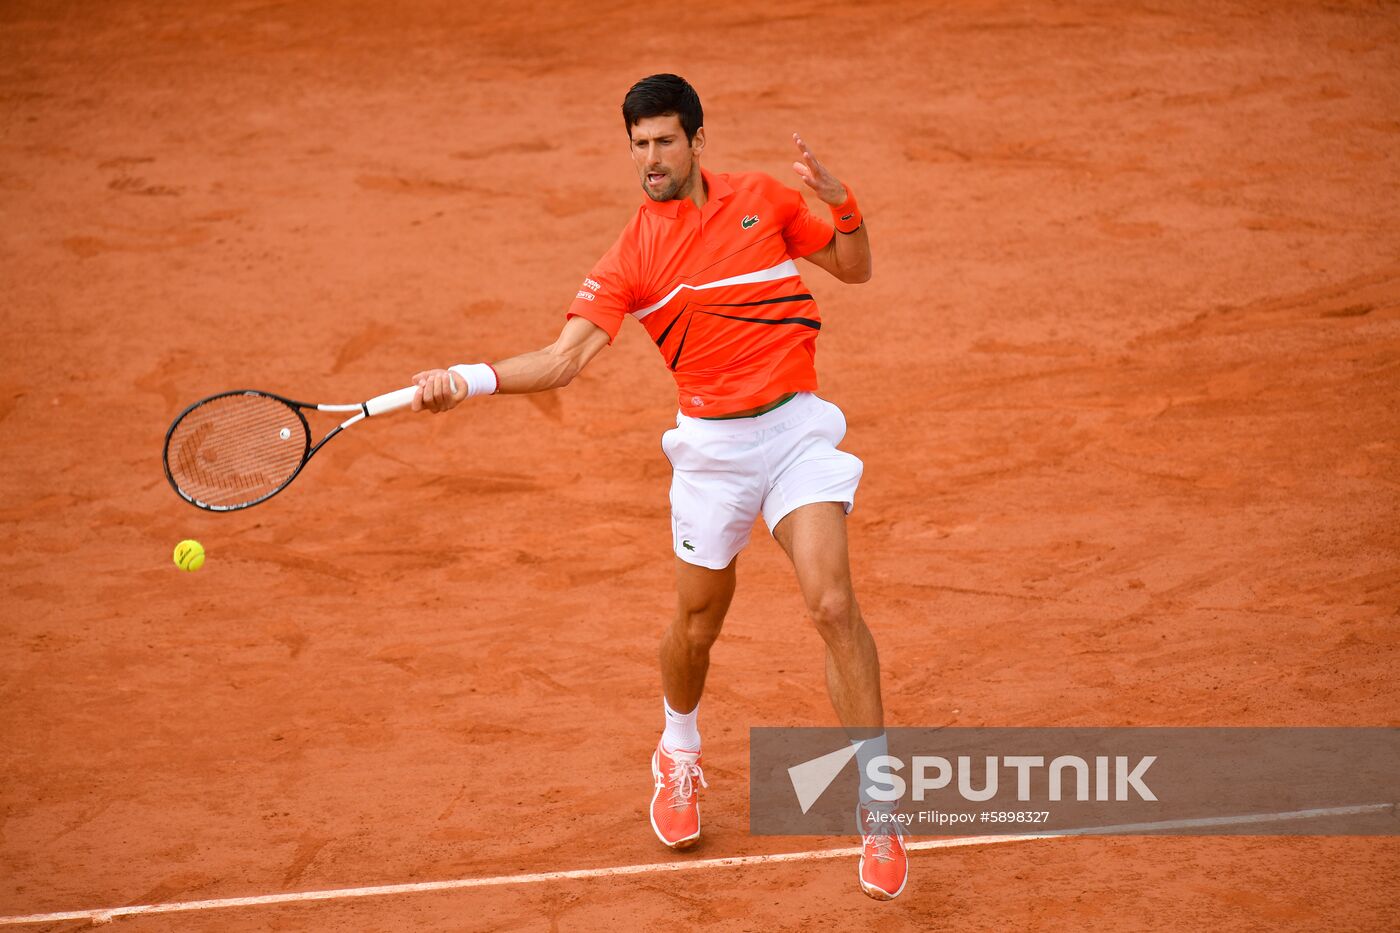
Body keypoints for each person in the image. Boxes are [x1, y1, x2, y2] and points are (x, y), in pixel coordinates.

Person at [410, 73, 906, 901]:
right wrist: (466, 378)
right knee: (696, 626)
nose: (650, 158)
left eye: (664, 141)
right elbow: (564, 359)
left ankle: (880, 804)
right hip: (711, 452)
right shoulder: (633, 254)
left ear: (696, 141)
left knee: (830, 603)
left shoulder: (765, 201)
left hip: (794, 434)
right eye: (638, 144)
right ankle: (678, 749)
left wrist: (843, 200)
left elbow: (852, 268)